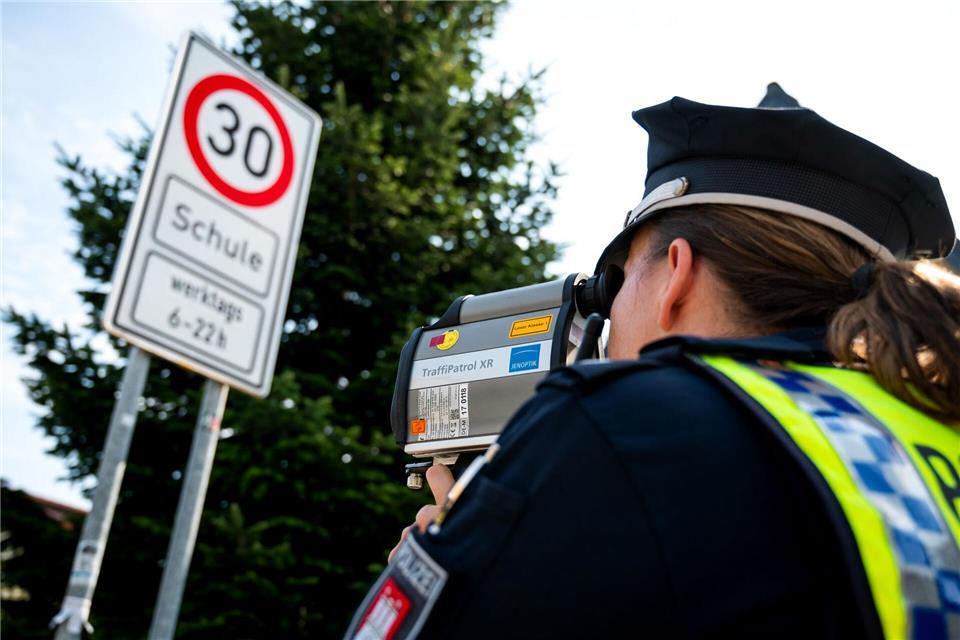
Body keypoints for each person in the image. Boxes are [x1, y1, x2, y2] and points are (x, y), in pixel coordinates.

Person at [344, 84, 960, 640]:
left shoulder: (626, 426)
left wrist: (441, 559)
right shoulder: (933, 432)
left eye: (614, 281)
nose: (607, 317)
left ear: (676, 274)